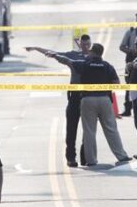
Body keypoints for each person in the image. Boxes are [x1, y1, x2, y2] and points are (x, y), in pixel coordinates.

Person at [50, 43, 132, 166]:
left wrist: (55, 55)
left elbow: (67, 61)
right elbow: (116, 83)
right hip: (104, 99)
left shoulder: (85, 64)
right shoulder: (107, 66)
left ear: (92, 52)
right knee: (111, 129)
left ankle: (91, 160)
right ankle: (122, 156)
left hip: (88, 99)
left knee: (89, 131)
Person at [25, 34, 92, 167]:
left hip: (88, 96)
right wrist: (36, 48)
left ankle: (86, 157)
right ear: (80, 44)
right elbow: (53, 53)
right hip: (75, 96)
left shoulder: (94, 56)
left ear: (90, 44)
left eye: (87, 44)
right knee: (71, 128)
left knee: (88, 130)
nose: (85, 46)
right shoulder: (73, 55)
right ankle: (71, 158)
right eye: (83, 44)